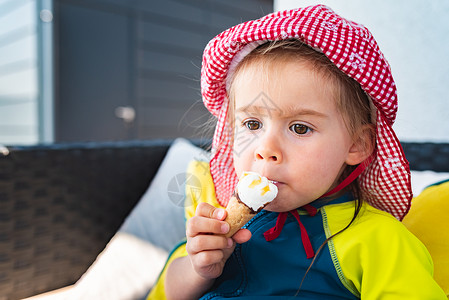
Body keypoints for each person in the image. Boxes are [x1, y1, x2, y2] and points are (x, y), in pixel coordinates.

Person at [148, 5, 446, 299]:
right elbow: (169, 292)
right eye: (252, 123)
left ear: (357, 145)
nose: (266, 149)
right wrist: (198, 268)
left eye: (300, 128)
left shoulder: (377, 239)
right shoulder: (222, 219)